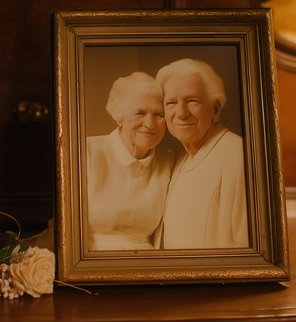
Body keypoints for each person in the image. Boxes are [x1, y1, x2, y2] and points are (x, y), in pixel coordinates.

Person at [156, 58, 248, 249]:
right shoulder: (180, 160)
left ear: (215, 110)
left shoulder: (239, 155)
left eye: (192, 101)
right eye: (171, 102)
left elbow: (247, 246)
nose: (180, 113)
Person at [86, 71, 173, 251]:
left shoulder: (169, 161)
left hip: (145, 265)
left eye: (159, 114)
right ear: (119, 116)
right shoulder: (87, 151)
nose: (150, 124)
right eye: (140, 113)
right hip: (87, 261)